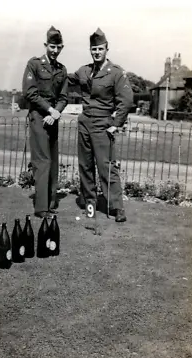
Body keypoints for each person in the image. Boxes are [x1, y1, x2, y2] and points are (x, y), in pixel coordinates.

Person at [68, 28, 134, 222]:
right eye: (93, 49)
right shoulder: (84, 71)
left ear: (107, 49)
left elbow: (126, 99)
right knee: (85, 166)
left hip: (103, 124)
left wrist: (116, 123)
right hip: (85, 123)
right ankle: (90, 204)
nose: (96, 52)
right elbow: (65, 78)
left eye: (100, 49)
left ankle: (116, 207)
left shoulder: (115, 73)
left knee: (107, 167)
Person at [22, 26, 68, 218]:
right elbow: (30, 93)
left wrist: (56, 112)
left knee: (53, 162)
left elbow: (64, 97)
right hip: (39, 117)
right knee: (42, 162)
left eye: (58, 47)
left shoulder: (62, 69)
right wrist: (49, 110)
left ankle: (50, 204)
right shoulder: (34, 64)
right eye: (52, 46)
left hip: (53, 118)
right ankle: (41, 208)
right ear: (45, 45)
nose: (55, 51)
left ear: (62, 47)